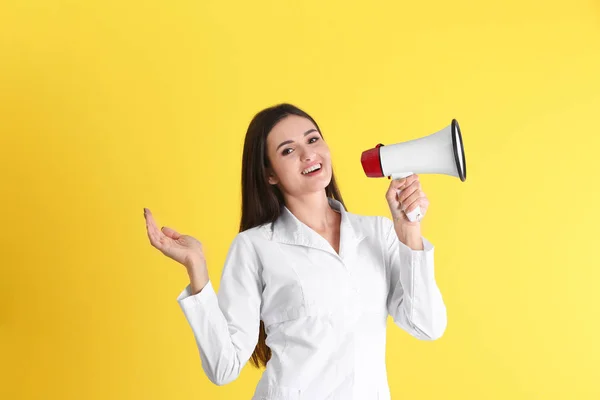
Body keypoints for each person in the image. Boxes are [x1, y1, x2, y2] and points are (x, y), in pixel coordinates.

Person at [143, 103, 447, 400]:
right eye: (288, 150)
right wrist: (196, 267)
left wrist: (409, 232)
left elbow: (427, 326)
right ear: (269, 175)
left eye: (313, 139)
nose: (307, 154)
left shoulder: (378, 233)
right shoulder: (255, 246)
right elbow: (224, 367)